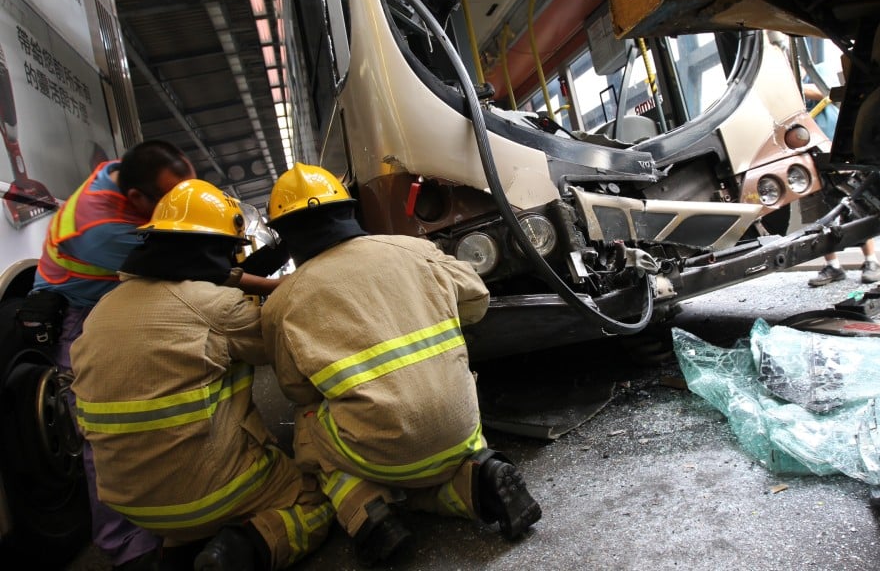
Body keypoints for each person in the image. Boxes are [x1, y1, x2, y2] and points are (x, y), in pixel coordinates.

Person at [260, 164, 542, 567]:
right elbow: (477, 300)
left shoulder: (281, 305)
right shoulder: (412, 250)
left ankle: (368, 513)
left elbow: (296, 389)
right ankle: (476, 482)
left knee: (307, 420)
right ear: (348, 212)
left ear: (286, 237)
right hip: (461, 429)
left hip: (375, 452)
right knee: (431, 461)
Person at [70, 179, 334, 571]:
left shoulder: (100, 312)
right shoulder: (216, 307)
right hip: (211, 494)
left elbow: (202, 279)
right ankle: (240, 552)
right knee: (316, 498)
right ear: (216, 248)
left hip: (133, 509)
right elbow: (284, 340)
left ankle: (181, 550)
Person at [28, 140, 196, 570]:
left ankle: (170, 504)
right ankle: (126, 545)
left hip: (122, 291)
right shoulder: (98, 227)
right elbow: (192, 269)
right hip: (82, 311)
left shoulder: (133, 174)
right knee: (101, 426)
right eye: (171, 200)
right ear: (138, 199)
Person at [803, 77, 880, 287]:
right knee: (820, 216)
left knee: (855, 207)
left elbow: (825, 91)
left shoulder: (815, 72)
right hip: (807, 160)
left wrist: (793, 89)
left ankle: (871, 261)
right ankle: (833, 266)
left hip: (834, 153)